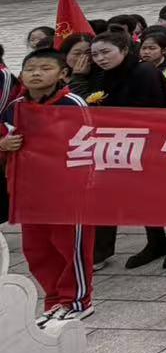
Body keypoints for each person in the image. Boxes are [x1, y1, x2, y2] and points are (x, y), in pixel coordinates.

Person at [89, 31, 166, 271]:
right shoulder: (104, 76)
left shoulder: (144, 72)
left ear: (124, 50)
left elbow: (149, 111)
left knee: (164, 193)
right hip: (125, 144)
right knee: (140, 194)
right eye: (95, 54)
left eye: (106, 52)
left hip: (154, 143)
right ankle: (156, 240)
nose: (100, 58)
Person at [0, 49, 95, 323]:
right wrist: (4, 145)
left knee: (70, 246)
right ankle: (54, 300)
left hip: (67, 191)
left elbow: (88, 144)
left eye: (45, 68)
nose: (36, 74)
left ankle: (78, 301)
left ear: (63, 74)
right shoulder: (15, 106)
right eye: (30, 69)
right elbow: (4, 139)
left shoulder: (73, 103)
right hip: (29, 190)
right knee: (37, 248)